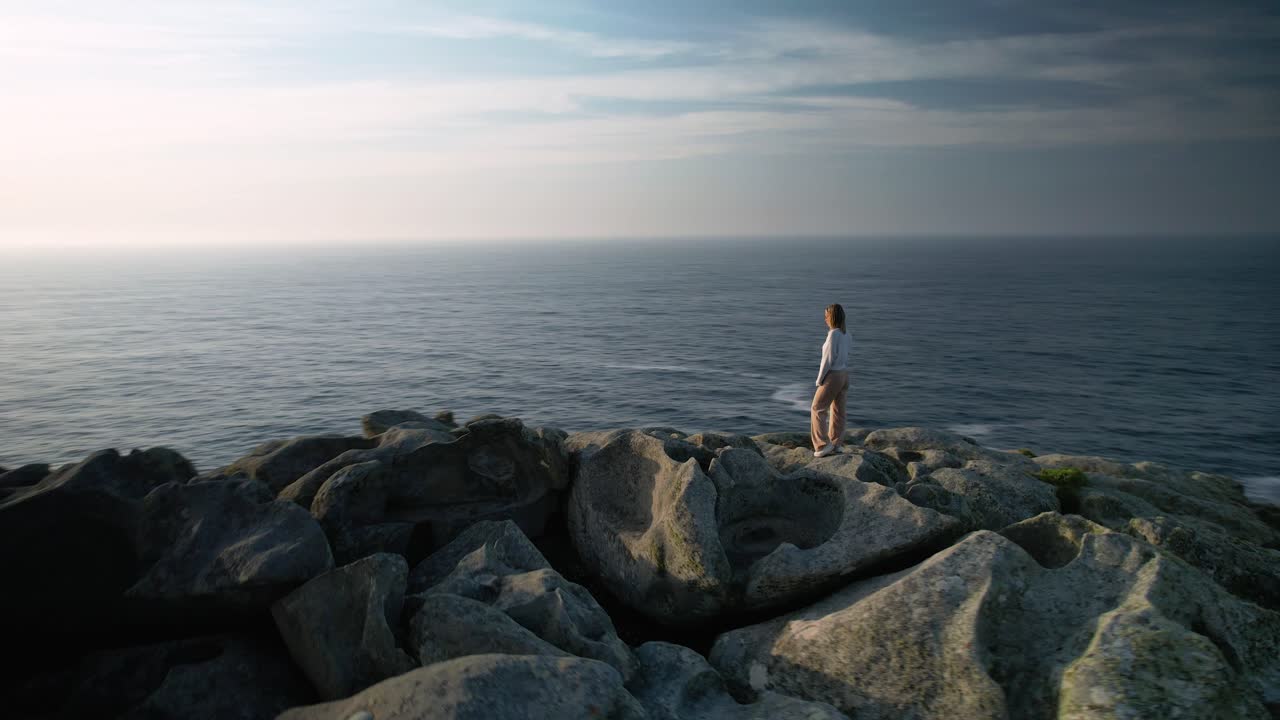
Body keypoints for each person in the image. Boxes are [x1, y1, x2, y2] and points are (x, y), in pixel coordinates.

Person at [811, 303, 850, 457]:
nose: (825, 319)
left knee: (817, 408)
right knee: (838, 410)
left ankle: (822, 446)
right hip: (844, 374)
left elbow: (827, 360)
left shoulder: (833, 334)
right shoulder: (847, 334)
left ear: (832, 317)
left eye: (826, 316)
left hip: (833, 375)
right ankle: (836, 444)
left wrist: (819, 380)